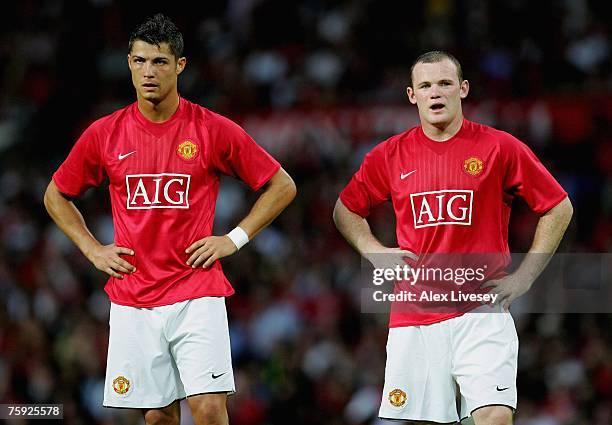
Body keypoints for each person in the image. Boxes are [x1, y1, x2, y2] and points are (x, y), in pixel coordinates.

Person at [43, 13, 296, 425]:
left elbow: (282, 185)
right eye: (140, 61)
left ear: (180, 66)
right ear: (128, 62)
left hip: (196, 290)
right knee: (158, 417)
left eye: (159, 62)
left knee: (210, 408)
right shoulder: (105, 133)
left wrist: (233, 239)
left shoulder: (211, 129)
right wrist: (91, 249)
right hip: (134, 296)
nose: (148, 71)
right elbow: (56, 194)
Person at [333, 51, 573, 425]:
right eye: (425, 86)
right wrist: (373, 250)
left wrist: (525, 277)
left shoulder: (499, 147)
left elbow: (558, 206)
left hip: (482, 311)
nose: (435, 93)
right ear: (412, 95)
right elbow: (345, 209)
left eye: (444, 83)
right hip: (415, 316)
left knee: (494, 416)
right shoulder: (388, 155)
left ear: (462, 89)